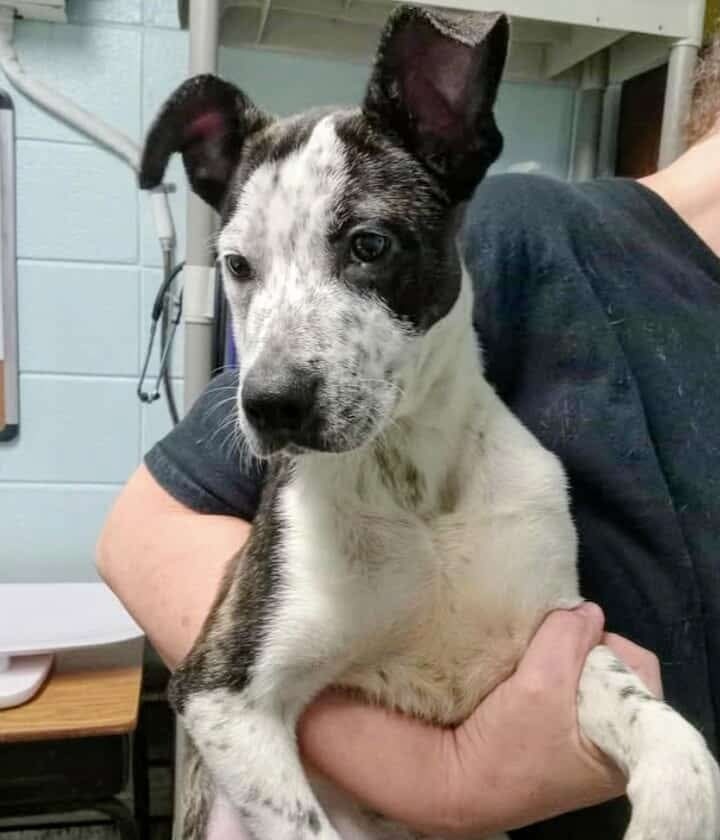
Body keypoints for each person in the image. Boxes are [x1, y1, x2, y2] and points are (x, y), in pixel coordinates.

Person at [97, 42, 720, 840]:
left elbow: (553, 659)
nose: (269, 375)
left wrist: (666, 756)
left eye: (365, 247)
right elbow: (151, 550)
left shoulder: (525, 488)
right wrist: (447, 781)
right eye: (243, 269)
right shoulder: (536, 235)